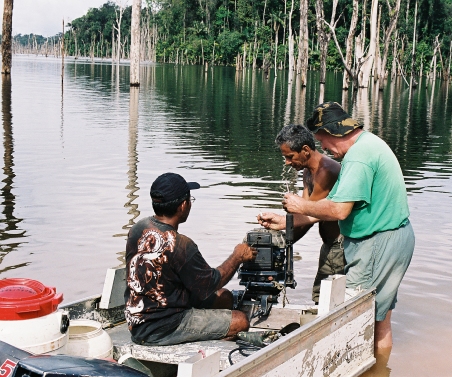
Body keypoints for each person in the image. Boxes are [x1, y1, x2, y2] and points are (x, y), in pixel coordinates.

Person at [258, 102, 414, 350]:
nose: (325, 148)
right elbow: (328, 209)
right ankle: (379, 370)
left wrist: (300, 205)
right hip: (393, 236)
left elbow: (338, 209)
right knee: (378, 319)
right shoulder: (369, 145)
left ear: (333, 133)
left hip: (378, 242)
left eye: (323, 142)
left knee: (350, 314)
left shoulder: (358, 157)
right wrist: (283, 221)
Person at [124, 172, 257, 346]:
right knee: (240, 321)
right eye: (190, 200)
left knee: (225, 298)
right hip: (162, 326)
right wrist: (237, 256)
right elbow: (212, 283)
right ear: (183, 205)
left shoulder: (138, 228)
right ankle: (200, 346)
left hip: (138, 320)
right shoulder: (181, 245)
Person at [257, 124, 344, 304]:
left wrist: (281, 241)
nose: (287, 162)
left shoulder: (326, 171)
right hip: (329, 245)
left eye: (290, 157)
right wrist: (282, 235)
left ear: (305, 150)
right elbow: (305, 214)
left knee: (327, 300)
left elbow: (308, 218)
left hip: (340, 246)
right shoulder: (307, 172)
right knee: (322, 298)